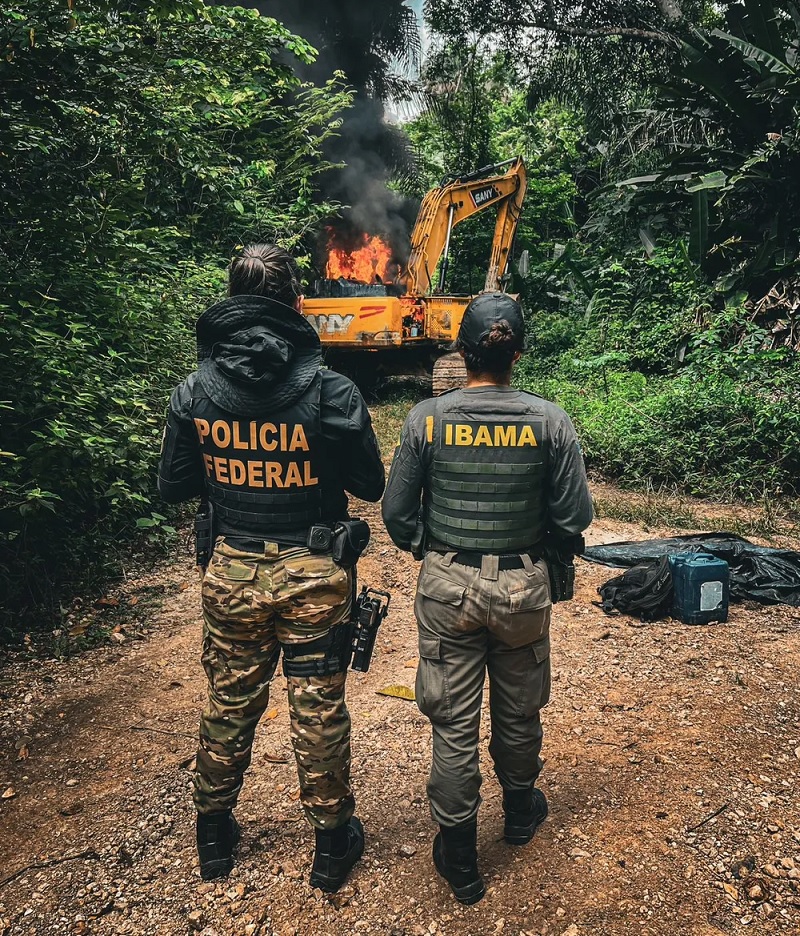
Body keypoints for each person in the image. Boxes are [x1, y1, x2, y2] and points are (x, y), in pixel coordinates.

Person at [158, 244, 385, 891]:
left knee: (229, 699)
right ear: (295, 304)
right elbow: (369, 482)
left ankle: (213, 837)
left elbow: (174, 487)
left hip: (230, 572)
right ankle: (331, 846)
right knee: (316, 707)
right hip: (314, 572)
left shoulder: (194, 392)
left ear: (232, 302)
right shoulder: (331, 390)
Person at [381, 292, 592, 905]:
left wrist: (435, 548)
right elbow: (575, 516)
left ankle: (460, 857)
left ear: (461, 352)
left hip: (448, 586)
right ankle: (521, 812)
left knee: (452, 723)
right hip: (524, 588)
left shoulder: (425, 419)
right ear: (516, 355)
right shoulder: (550, 420)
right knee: (520, 710)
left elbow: (397, 516)